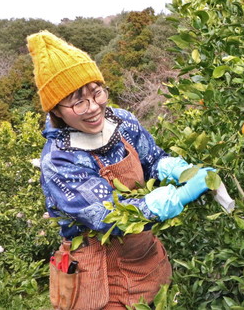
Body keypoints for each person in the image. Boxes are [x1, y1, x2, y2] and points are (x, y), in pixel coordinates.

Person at [28, 30, 214, 309]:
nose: (94, 107)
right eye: (79, 101)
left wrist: (176, 169)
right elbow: (110, 215)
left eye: (97, 92)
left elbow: (150, 159)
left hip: (144, 257)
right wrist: (176, 197)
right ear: (56, 110)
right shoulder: (59, 160)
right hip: (98, 274)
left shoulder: (122, 121)